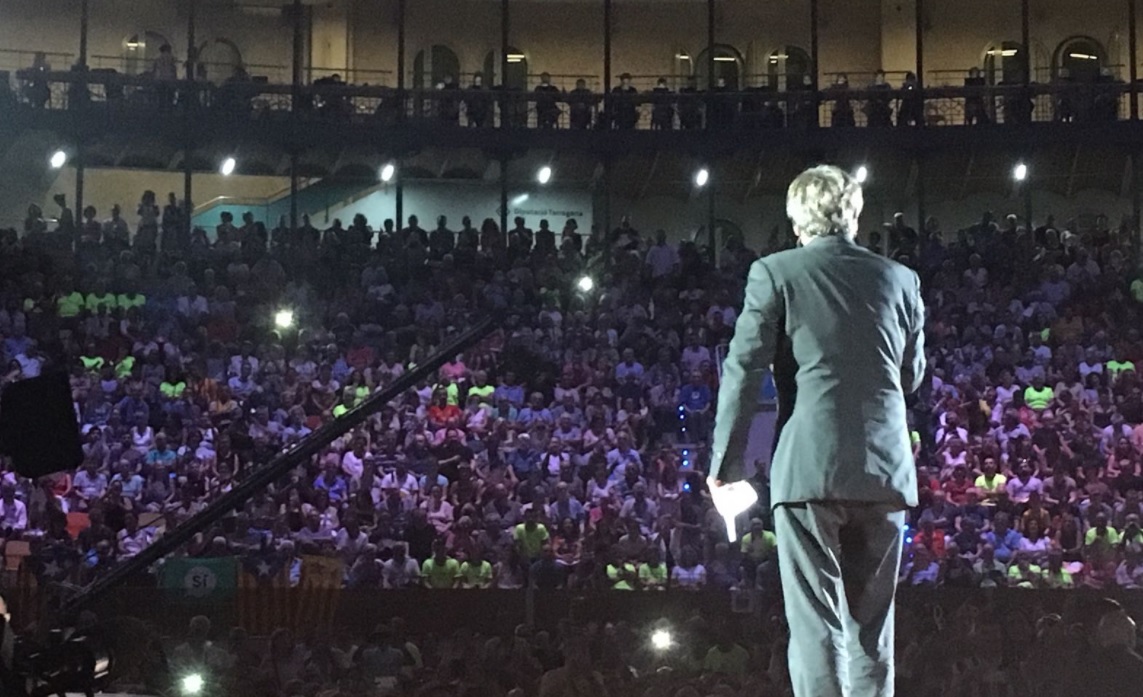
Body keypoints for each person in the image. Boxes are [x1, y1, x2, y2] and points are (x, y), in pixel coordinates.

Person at [709, 165, 925, 697]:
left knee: (816, 627)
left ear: (795, 218)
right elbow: (911, 376)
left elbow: (743, 370)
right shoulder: (900, 279)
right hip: (884, 468)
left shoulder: (775, 273)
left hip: (810, 468)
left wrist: (725, 467)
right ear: (854, 215)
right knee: (871, 633)